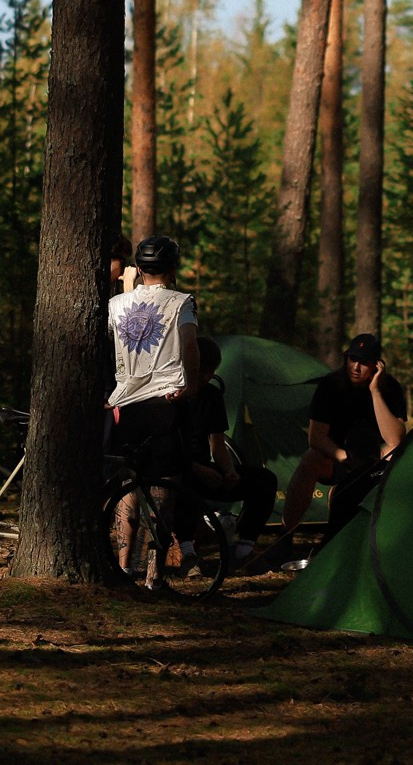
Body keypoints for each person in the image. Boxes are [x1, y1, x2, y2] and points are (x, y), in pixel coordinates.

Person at [106, 234, 203, 583]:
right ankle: (153, 574)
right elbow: (190, 345)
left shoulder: (117, 304)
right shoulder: (182, 303)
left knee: (129, 486)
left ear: (140, 267)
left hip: (126, 406)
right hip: (166, 402)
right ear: (172, 267)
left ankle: (121, 567)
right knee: (163, 490)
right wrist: (191, 386)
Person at [282, 333, 408, 534]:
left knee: (395, 451)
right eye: (353, 359)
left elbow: (396, 439)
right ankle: (287, 532)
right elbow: (316, 438)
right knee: (310, 458)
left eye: (364, 362)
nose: (356, 367)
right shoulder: (331, 385)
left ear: (376, 364)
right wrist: (344, 457)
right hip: (339, 459)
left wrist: (375, 392)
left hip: (375, 464)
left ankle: (383, 531)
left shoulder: (390, 388)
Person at [182, 336, 276, 558]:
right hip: (179, 469)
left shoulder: (212, 395)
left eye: (211, 371)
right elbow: (167, 450)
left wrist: (229, 470)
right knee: (181, 484)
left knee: (264, 480)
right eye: (203, 370)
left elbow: (217, 443)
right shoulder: (173, 395)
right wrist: (198, 469)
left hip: (206, 469)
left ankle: (244, 548)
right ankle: (186, 552)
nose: (207, 376)